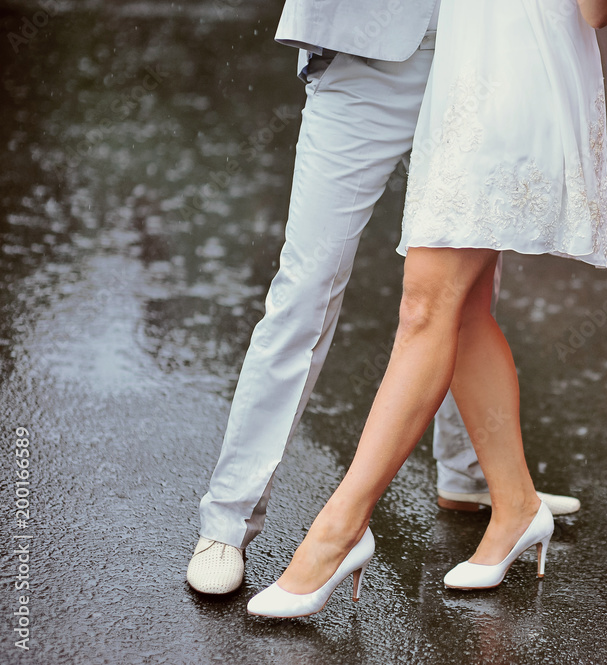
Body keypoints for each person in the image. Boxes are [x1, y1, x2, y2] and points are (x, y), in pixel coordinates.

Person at [186, 0, 582, 596]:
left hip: (490, 50)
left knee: (465, 291)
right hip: (370, 51)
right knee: (306, 288)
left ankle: (473, 473)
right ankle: (228, 519)